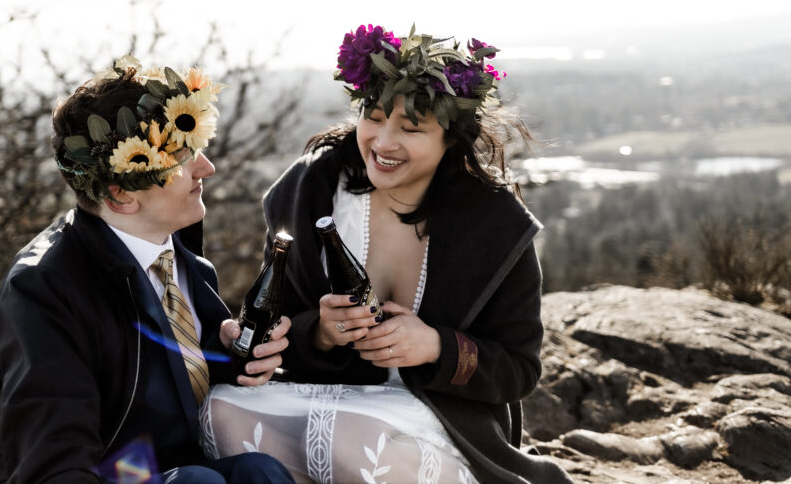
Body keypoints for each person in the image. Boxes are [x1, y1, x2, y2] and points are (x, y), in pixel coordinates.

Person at [200, 25, 573, 483]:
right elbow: (281, 331)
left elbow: (519, 369)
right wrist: (320, 334)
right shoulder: (310, 194)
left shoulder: (494, 224)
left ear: (450, 140)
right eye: (373, 117)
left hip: (439, 420)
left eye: (411, 128)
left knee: (356, 443)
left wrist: (435, 346)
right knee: (220, 411)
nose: (383, 142)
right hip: (328, 397)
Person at [0, 58, 295, 484]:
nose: (206, 168)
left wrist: (234, 358)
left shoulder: (183, 259)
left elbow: (162, 374)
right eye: (183, 155)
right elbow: (53, 461)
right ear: (122, 195)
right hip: (104, 475)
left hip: (173, 465)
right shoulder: (43, 289)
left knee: (260, 472)